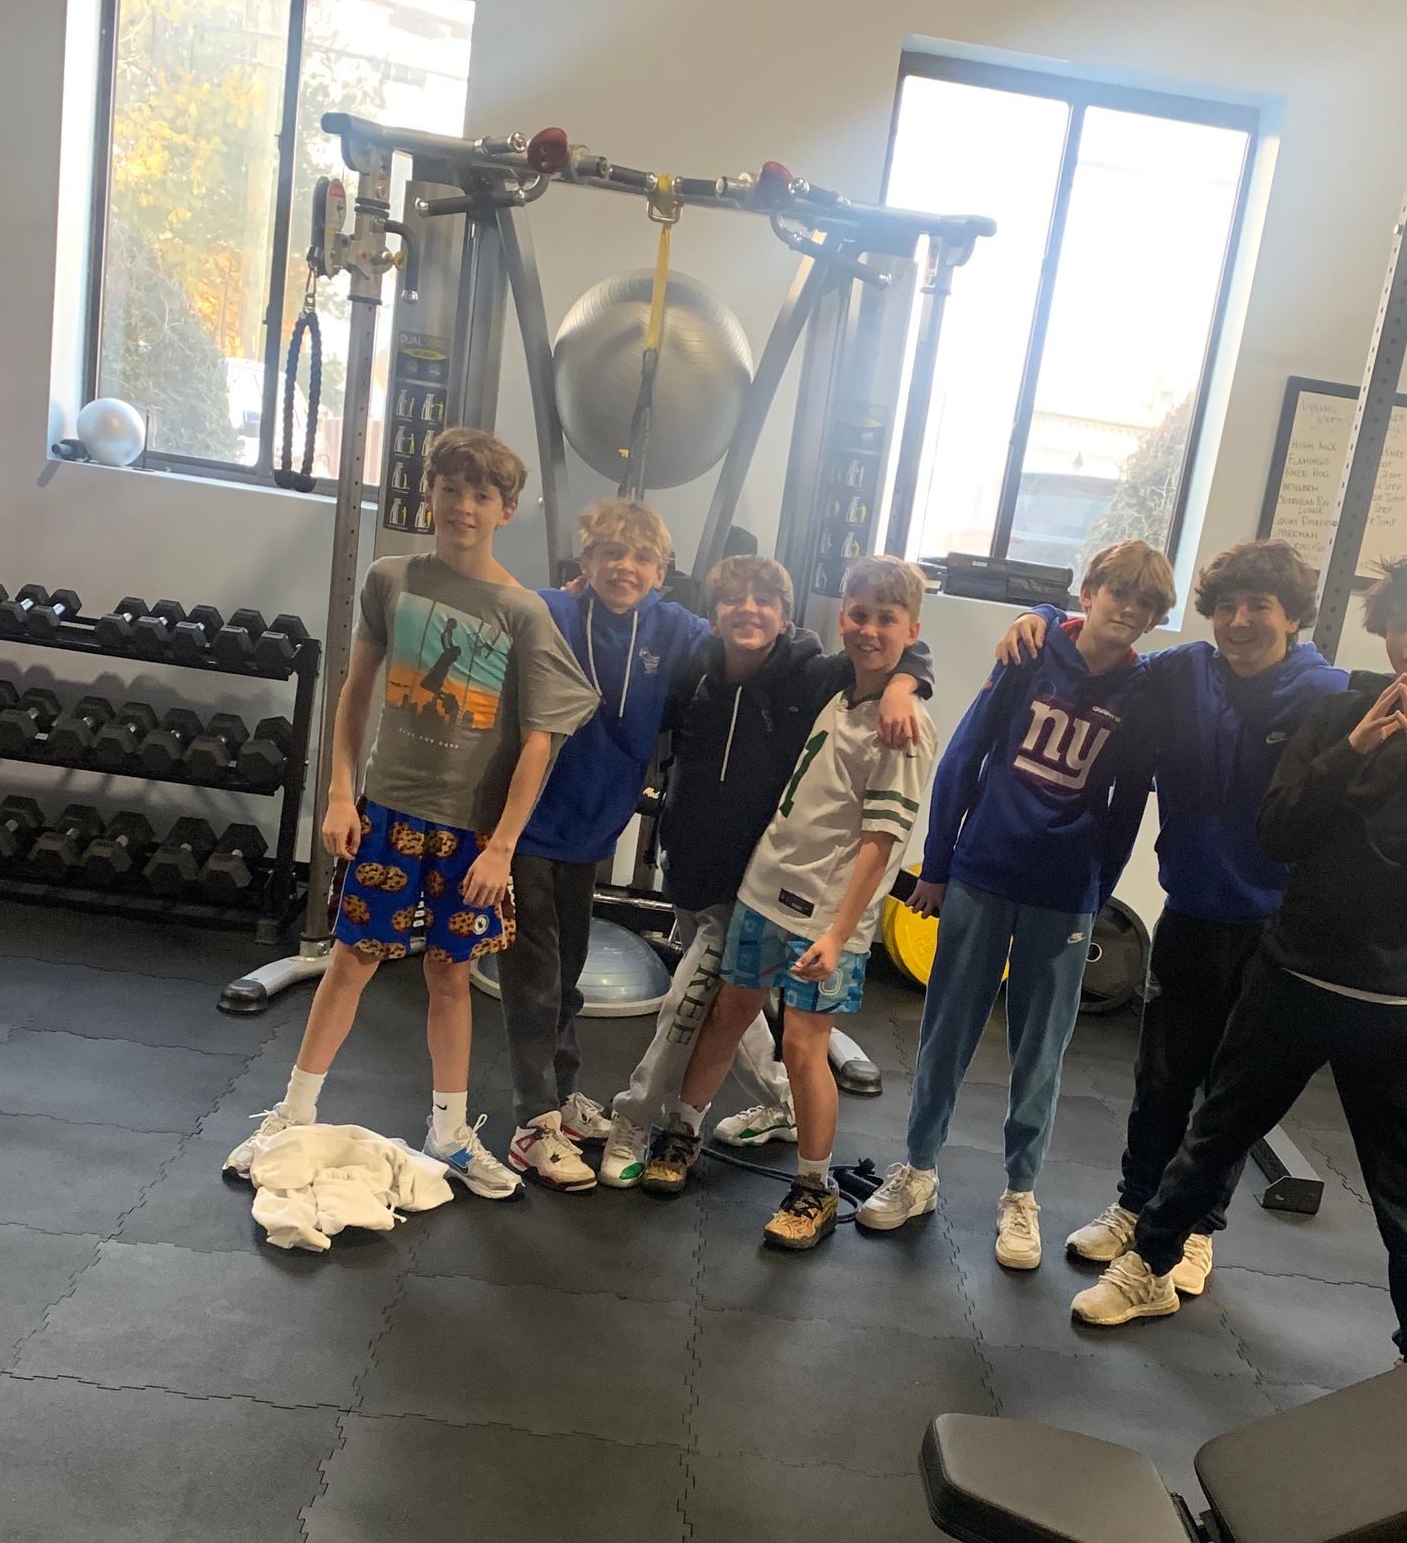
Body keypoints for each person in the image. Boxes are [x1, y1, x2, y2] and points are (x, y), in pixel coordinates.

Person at [994, 539, 1407, 1300]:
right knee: (1161, 1077)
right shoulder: (1181, 674)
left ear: (1294, 616)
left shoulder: (1327, 691)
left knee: (1227, 1095)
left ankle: (1199, 1230)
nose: (1240, 622)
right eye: (1227, 607)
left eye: (1259, 607)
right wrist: (1043, 615)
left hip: (1274, 931)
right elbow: (1109, 646)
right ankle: (1139, 1207)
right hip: (1191, 908)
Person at [237, 428, 597, 1195]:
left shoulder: (523, 612)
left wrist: (502, 847)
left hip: (469, 833)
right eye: (452, 490)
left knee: (449, 973)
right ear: (429, 493)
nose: (463, 507)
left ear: (505, 510)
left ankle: (449, 1132)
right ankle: (293, 1112)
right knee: (352, 959)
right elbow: (356, 691)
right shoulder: (390, 579)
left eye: (481, 496)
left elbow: (540, 744)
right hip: (387, 812)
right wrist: (339, 791)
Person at [854, 540, 1171, 1269]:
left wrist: (1098, 893)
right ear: (1089, 592)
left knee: (1041, 1052)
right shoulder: (1029, 652)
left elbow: (1126, 808)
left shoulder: (1146, 690)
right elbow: (965, 755)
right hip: (983, 873)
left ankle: (1020, 1194)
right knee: (946, 1032)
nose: (1128, 609)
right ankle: (919, 1169)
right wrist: (937, 864)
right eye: (1117, 592)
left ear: (1155, 619)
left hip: (1064, 896)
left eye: (1146, 604)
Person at [597, 552, 927, 1186]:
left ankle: (637, 1117)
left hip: (750, 885)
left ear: (786, 616)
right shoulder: (697, 669)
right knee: (727, 1010)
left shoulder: (810, 675)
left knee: (685, 1007)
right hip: (700, 873)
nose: (748, 610)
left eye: (764, 602)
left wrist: (908, 682)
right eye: (734, 599)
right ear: (713, 613)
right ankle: (782, 1102)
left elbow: (892, 650)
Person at [494, 498, 714, 1190]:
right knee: (533, 979)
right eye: (611, 553)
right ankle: (534, 1125)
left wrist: (907, 668)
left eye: (641, 557)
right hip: (526, 821)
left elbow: (762, 642)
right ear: (584, 562)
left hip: (594, 828)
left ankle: (560, 1097)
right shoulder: (548, 612)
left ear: (662, 572)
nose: (626, 566)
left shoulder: (674, 630)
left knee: (567, 974)